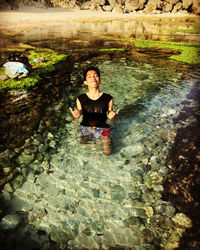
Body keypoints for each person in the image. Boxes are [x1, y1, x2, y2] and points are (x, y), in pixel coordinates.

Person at [70, 66, 119, 155]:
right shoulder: (80, 98)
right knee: (83, 146)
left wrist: (112, 116)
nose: (93, 78)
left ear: (99, 80)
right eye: (89, 76)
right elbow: (79, 111)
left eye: (96, 75)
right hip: (86, 127)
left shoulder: (108, 98)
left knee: (108, 151)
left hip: (103, 127)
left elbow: (110, 113)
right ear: (85, 82)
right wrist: (75, 115)